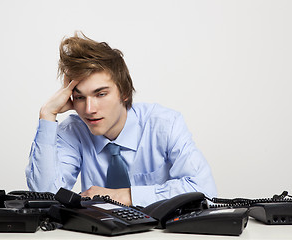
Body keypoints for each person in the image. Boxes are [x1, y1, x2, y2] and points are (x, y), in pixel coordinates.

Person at [25, 32, 217, 207]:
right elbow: (45, 197)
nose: (89, 110)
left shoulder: (164, 124)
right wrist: (47, 115)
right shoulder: (74, 131)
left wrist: (125, 195)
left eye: (100, 94)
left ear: (124, 92)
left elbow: (204, 190)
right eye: (80, 97)